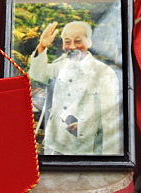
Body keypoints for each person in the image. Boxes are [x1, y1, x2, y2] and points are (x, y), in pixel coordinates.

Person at [28, 20, 120, 156]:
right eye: (67, 41)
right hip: (54, 143)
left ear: (89, 42)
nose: (72, 46)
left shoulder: (104, 73)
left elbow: (110, 119)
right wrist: (42, 46)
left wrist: (109, 159)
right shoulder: (61, 64)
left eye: (77, 41)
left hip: (85, 148)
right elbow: (38, 74)